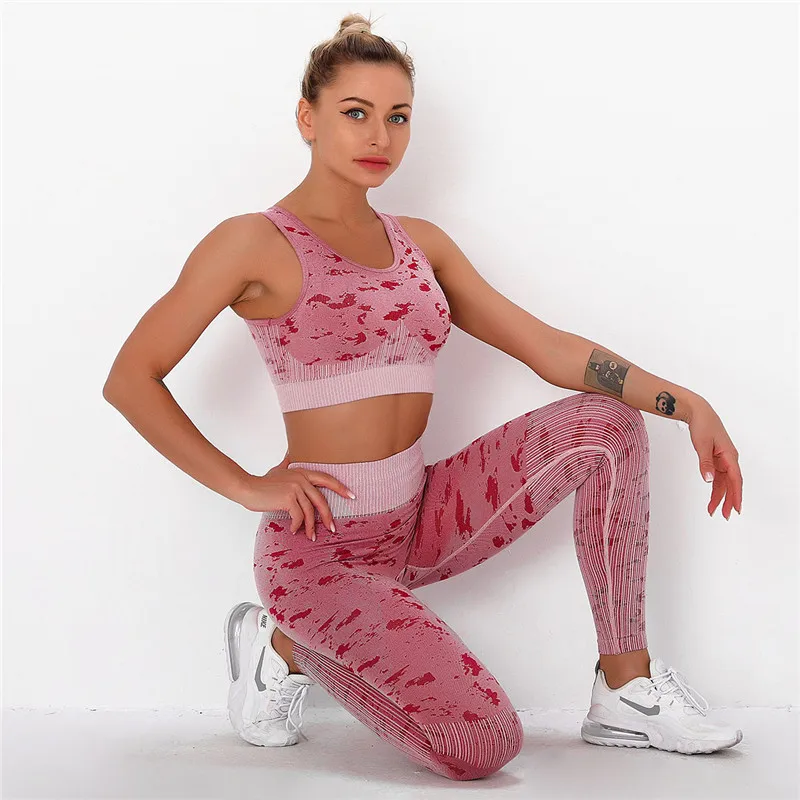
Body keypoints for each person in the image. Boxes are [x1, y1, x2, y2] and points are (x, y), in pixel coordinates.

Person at [103, 12, 745, 782]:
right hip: (321, 547)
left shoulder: (422, 244)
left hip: (420, 517)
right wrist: (246, 485)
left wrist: (685, 402)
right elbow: (130, 377)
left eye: (398, 116)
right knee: (482, 746)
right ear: (307, 117)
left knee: (608, 426)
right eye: (356, 113)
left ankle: (625, 689)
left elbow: (546, 348)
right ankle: (284, 642)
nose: (380, 136)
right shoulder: (253, 242)